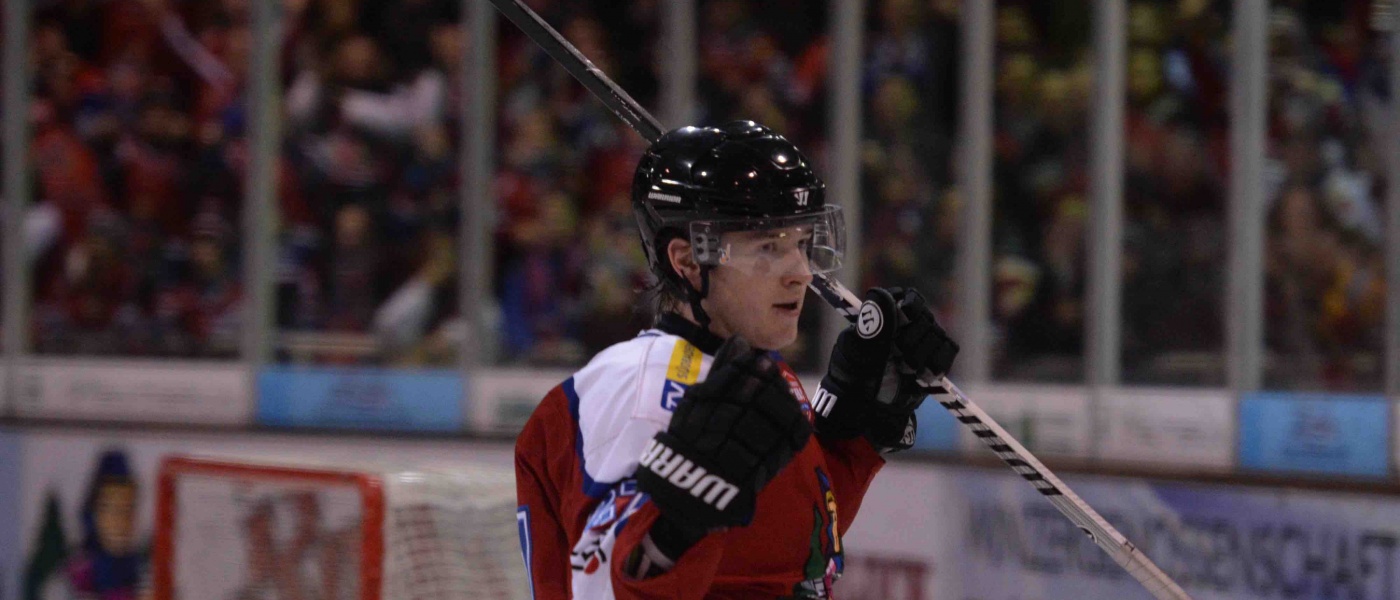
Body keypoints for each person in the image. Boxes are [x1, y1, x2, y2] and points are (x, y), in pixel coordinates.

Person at [514, 121, 958, 599]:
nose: (801, 273)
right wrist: (675, 528)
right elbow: (598, 588)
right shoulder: (641, 394)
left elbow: (789, 551)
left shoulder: (746, 371)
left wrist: (856, 422)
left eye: (802, 244)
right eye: (768, 247)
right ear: (686, 261)